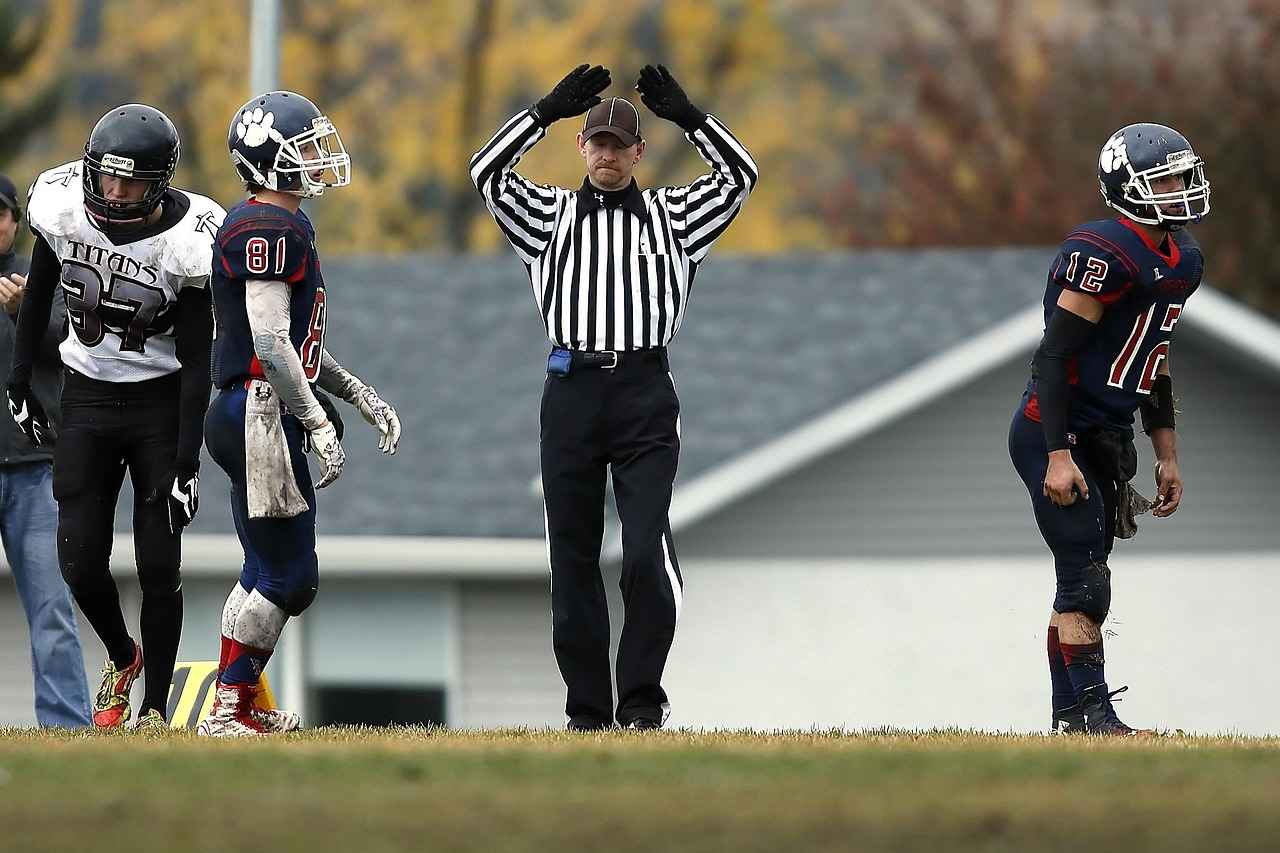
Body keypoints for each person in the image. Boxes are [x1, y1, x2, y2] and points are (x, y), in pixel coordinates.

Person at [470, 64, 758, 730]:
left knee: (644, 549)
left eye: (617, 144)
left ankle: (641, 703)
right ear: (583, 148)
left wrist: (690, 116)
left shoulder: (675, 216)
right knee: (570, 556)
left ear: (637, 152)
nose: (605, 153)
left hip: (643, 391)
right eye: (595, 142)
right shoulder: (549, 216)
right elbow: (486, 172)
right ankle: (587, 712)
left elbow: (740, 177)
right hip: (570, 390)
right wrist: (543, 111)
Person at [8, 105, 224, 730]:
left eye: (130, 182)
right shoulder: (61, 204)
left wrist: (186, 460)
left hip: (160, 401)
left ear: (159, 183)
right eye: (105, 178)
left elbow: (195, 357)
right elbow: (41, 289)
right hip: (87, 394)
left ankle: (155, 709)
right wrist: (19, 380)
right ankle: (122, 656)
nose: (114, 192)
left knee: (159, 563)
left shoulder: (189, 239)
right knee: (77, 558)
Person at [197, 91, 401, 737]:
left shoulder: (283, 223)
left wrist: (359, 395)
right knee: (291, 576)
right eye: (305, 147)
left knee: (263, 568)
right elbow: (269, 341)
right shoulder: (268, 225)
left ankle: (241, 702)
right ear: (268, 160)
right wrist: (315, 420)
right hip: (259, 409)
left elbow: (298, 344)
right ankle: (227, 704)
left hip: (250, 405)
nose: (319, 159)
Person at [1009, 123, 1209, 735]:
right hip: (1056, 431)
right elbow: (1054, 356)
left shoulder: (1183, 260)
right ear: (1129, 187)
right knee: (1084, 579)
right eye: (1166, 179)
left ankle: (1070, 717)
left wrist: (1166, 455)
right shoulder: (1103, 252)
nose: (1181, 188)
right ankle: (1096, 719)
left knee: (1084, 571)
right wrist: (1057, 453)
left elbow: (1157, 359)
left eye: (1183, 175)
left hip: (1106, 432)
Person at [0, 173, 92, 728]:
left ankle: (66, 726)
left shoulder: (43, 278)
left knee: (52, 609)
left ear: (16, 221)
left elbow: (79, 345)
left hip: (35, 469)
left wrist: (22, 314)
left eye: (2, 213)